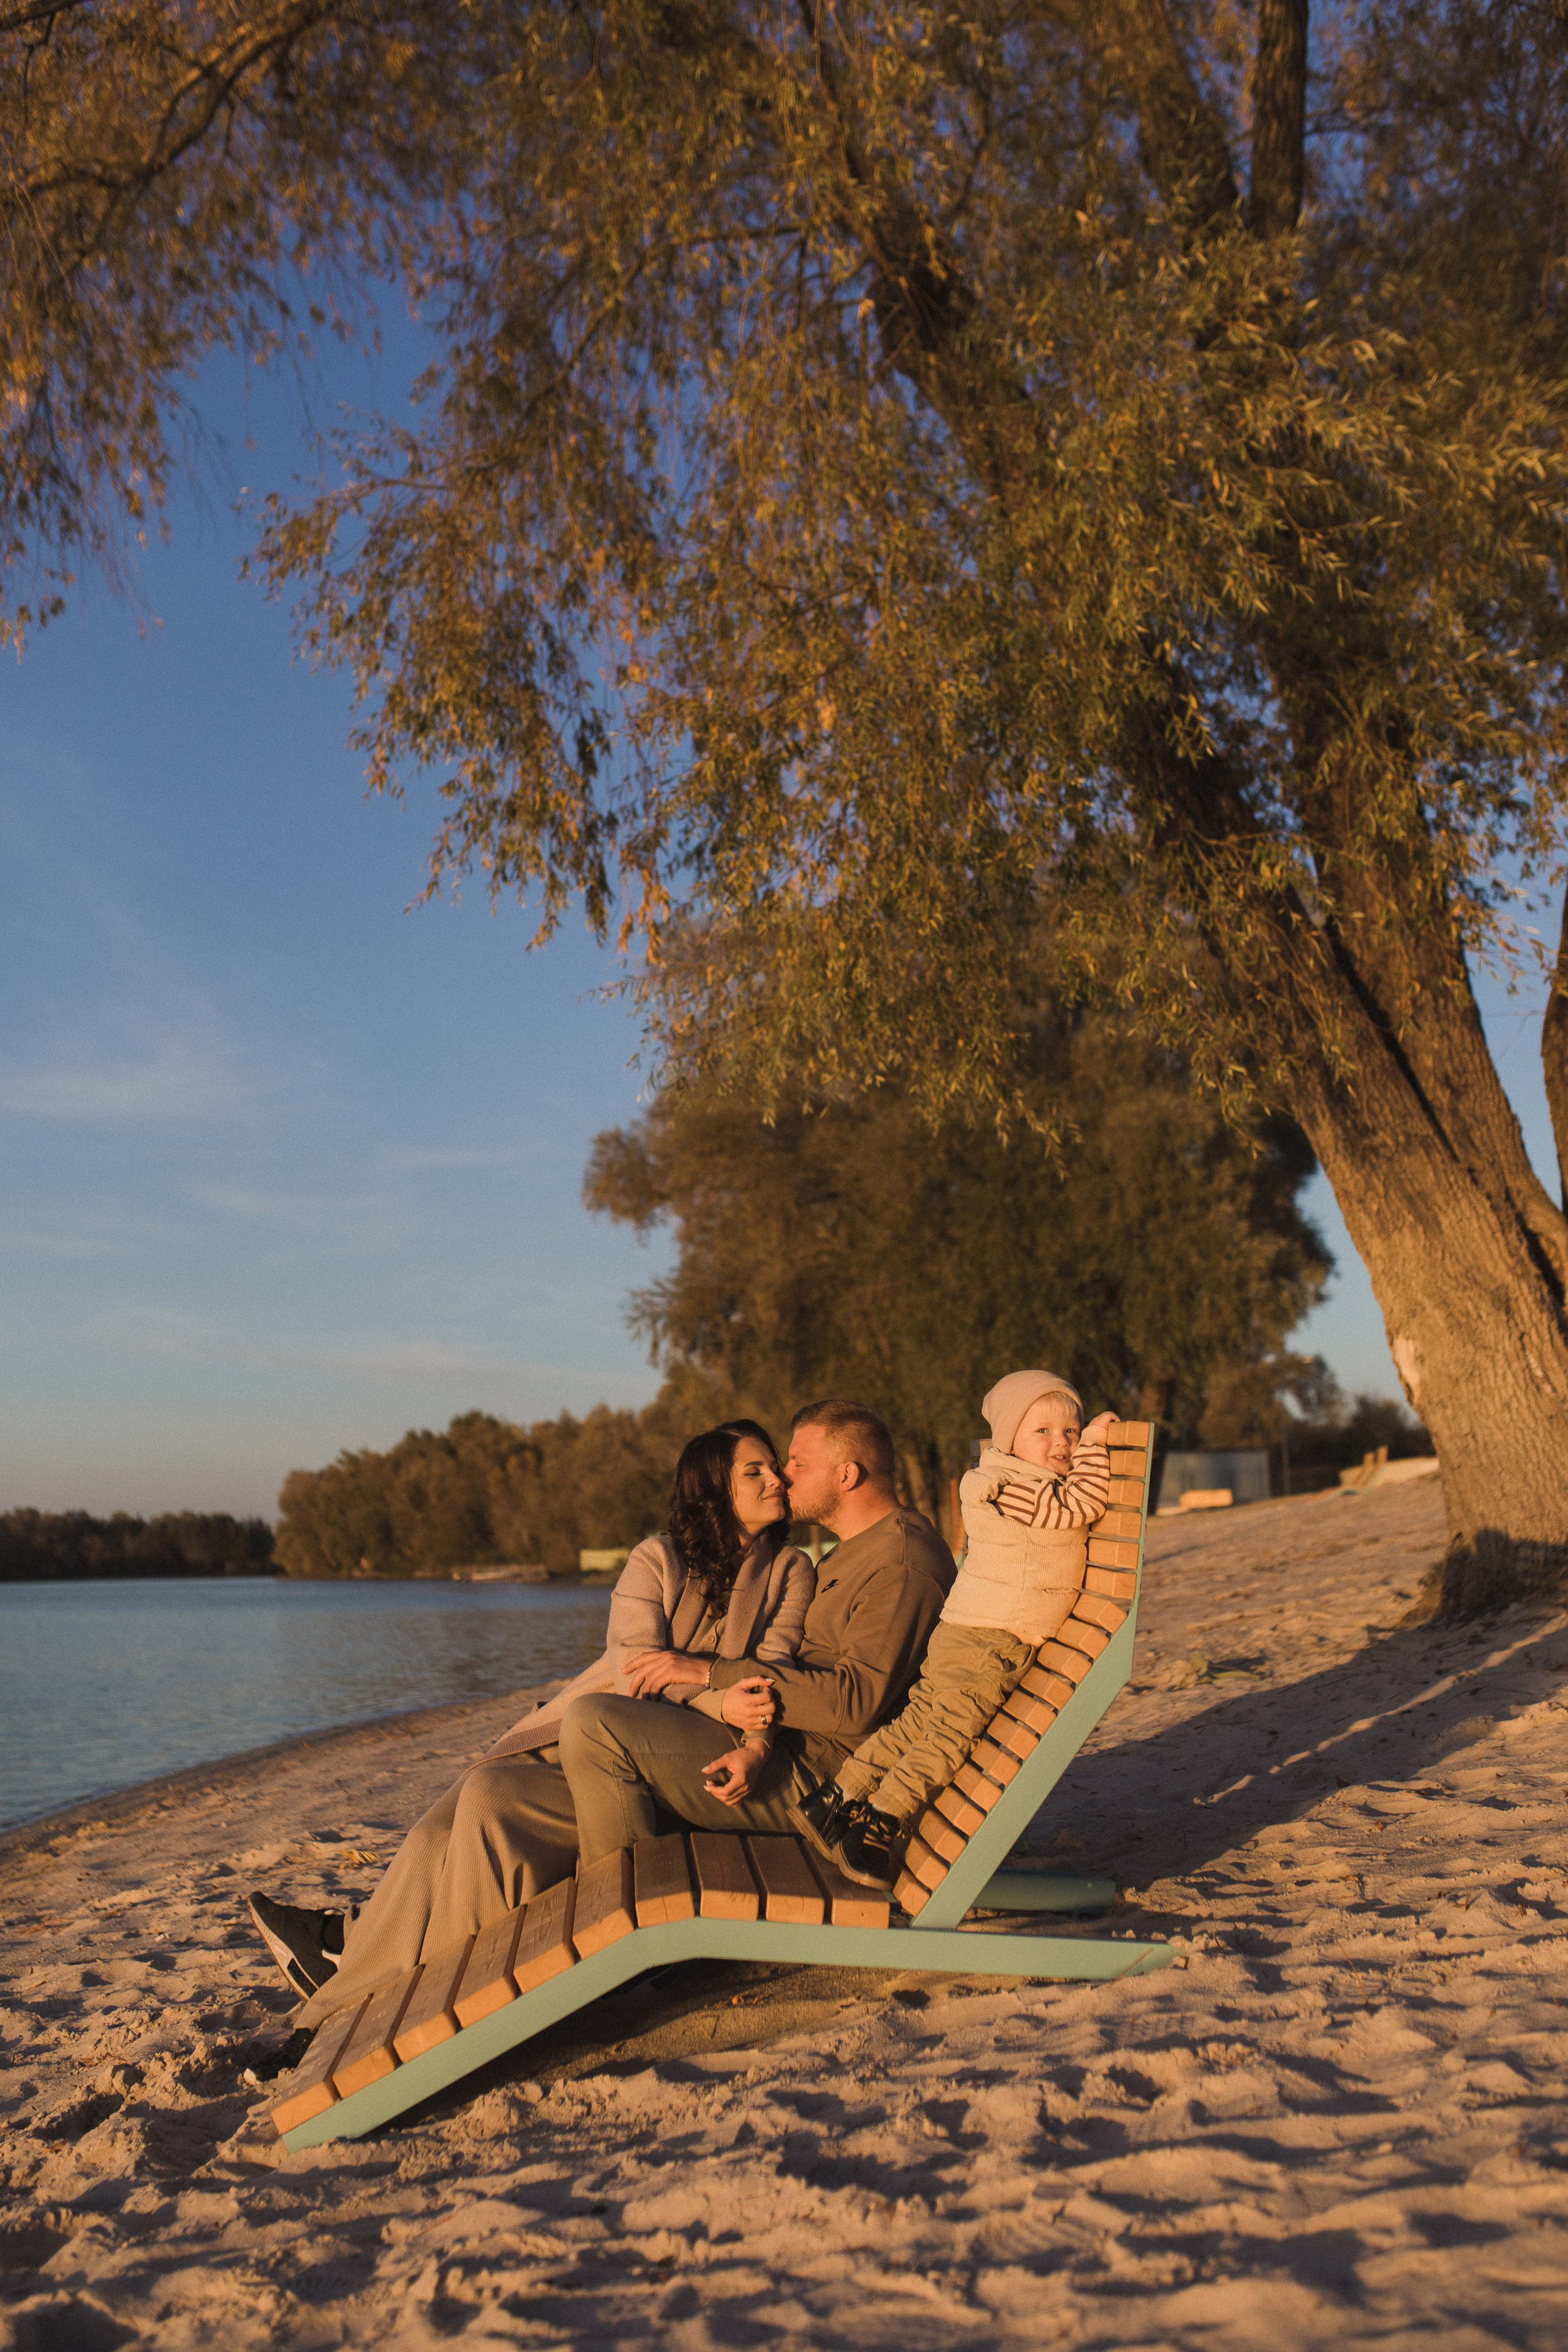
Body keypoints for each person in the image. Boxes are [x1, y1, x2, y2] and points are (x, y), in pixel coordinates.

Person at [247, 1420, 810, 2013]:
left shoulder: (790, 1570)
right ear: (714, 1489)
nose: (776, 1479)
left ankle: (345, 1991)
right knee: (433, 1834)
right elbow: (634, 1667)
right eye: (756, 1470)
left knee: (487, 1806)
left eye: (775, 1468)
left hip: (639, 1745)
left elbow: (765, 1671)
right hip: (595, 1717)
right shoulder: (659, 1557)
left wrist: (713, 1697)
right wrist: (712, 1690)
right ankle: (344, 1954)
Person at [552, 1398, 954, 1868]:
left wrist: (712, 1675)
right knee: (518, 1796)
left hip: (822, 1780)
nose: (784, 1477)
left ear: (846, 1476)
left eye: (798, 1464)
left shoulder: (901, 1564)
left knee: (595, 1726)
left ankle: (623, 1910)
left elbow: (854, 1702)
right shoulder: (860, 1551)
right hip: (776, 1746)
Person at [790, 1370, 1114, 1888]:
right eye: (1044, 1433)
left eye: (1071, 1433)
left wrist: (1082, 1446)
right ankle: (879, 1825)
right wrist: (1098, 1445)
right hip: (992, 1639)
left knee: (919, 1722)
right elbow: (1081, 1506)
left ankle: (833, 1801)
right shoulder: (1013, 1490)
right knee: (946, 1734)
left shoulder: (1008, 1482)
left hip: (969, 1632)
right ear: (1009, 1440)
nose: (1062, 1445)